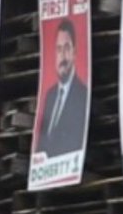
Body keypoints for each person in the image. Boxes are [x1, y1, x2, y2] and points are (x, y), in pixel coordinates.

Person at [36, 18, 89, 157]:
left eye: (66, 48)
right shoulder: (50, 95)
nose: (63, 56)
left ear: (74, 52)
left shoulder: (83, 95)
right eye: (59, 49)